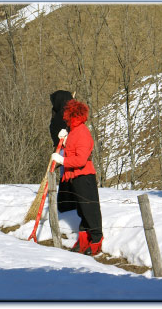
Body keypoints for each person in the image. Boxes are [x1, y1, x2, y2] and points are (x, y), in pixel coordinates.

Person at [51, 99, 104, 256]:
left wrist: (62, 160)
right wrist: (66, 140)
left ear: (73, 116)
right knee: (82, 210)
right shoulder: (74, 131)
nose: (66, 120)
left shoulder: (82, 133)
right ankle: (84, 237)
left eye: (68, 118)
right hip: (75, 176)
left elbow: (80, 159)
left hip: (84, 176)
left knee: (90, 209)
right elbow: (73, 149)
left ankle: (96, 239)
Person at [49, 90, 76, 213]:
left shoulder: (59, 114)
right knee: (67, 176)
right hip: (63, 150)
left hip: (63, 150)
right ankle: (68, 203)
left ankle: (68, 202)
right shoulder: (62, 115)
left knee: (67, 176)